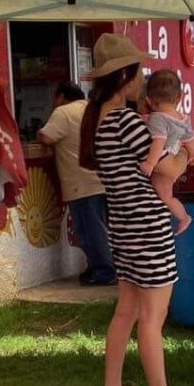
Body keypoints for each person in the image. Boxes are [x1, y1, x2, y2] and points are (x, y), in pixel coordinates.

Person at [79, 33, 194, 386]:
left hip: (122, 225)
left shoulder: (98, 118)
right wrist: (186, 150)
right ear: (124, 77)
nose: (142, 80)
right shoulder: (125, 119)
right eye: (138, 72)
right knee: (153, 317)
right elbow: (166, 169)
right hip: (147, 226)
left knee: (127, 312)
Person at [38, 82, 116, 286]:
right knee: (97, 227)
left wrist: (37, 132)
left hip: (81, 183)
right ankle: (98, 268)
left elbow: (46, 137)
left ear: (62, 96)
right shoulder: (92, 108)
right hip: (102, 178)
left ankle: (104, 272)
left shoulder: (63, 112)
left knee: (89, 230)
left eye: (55, 99)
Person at [139, 70, 194, 236]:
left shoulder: (157, 118)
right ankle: (183, 217)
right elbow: (190, 140)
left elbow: (158, 142)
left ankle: (183, 217)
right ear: (179, 98)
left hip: (161, 160)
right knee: (166, 196)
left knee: (165, 196)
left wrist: (150, 163)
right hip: (175, 157)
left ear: (149, 101)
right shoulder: (184, 118)